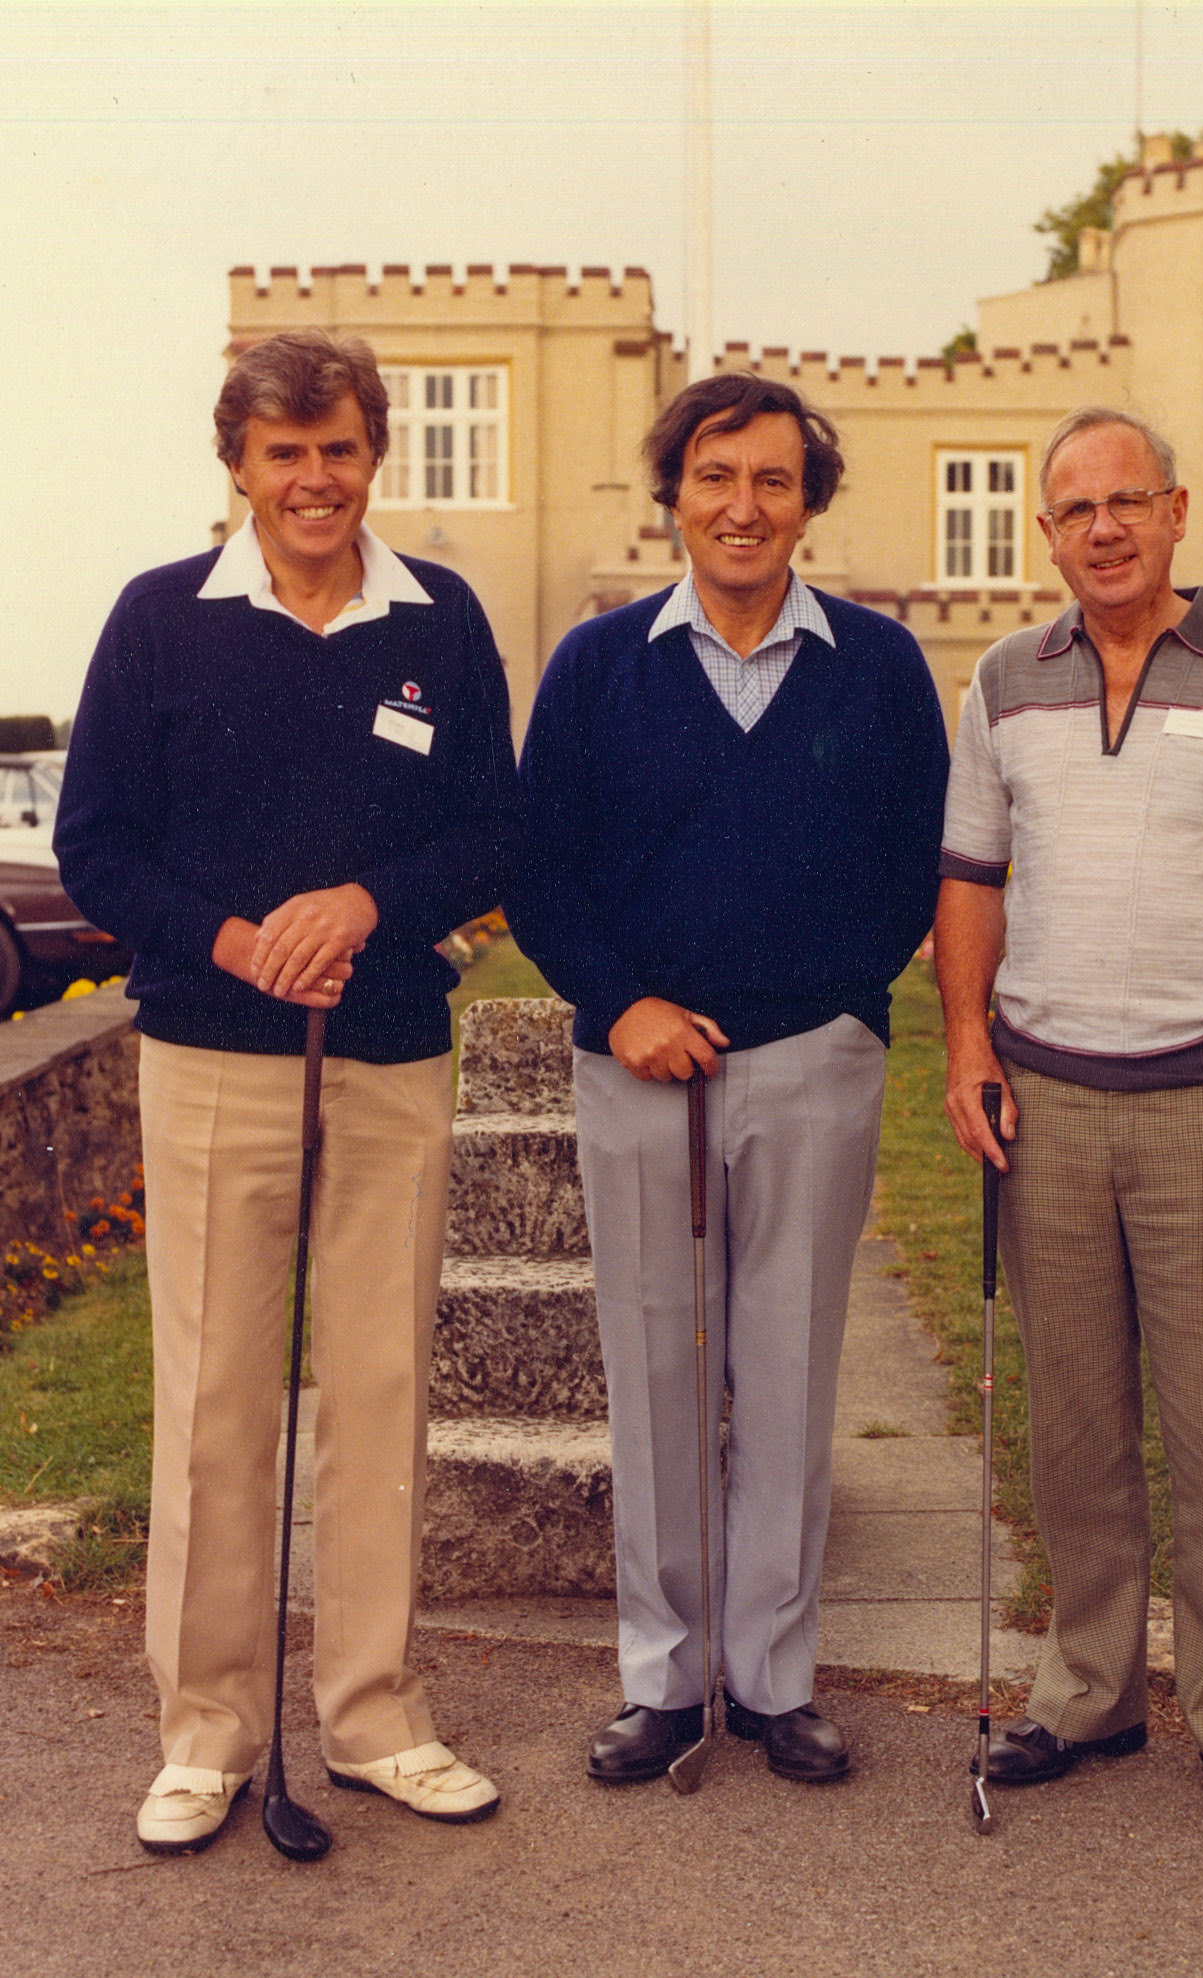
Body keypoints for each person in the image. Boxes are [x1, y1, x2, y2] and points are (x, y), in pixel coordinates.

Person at [55, 330, 522, 1854]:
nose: (313, 480)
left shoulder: (437, 618)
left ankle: (376, 1713)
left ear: (372, 454)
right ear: (238, 466)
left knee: (379, 1385)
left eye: (337, 450)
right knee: (212, 1403)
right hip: (211, 1054)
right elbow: (99, 849)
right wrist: (242, 936)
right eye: (283, 454)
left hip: (386, 1052)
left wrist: (365, 904)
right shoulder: (158, 621)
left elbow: (485, 832)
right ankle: (206, 1730)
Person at [507, 373, 947, 1784]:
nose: (741, 504)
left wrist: (824, 1013)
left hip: (813, 1061)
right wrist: (621, 1000)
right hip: (640, 1069)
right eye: (714, 476)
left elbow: (907, 869)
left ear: (808, 500)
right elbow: (541, 870)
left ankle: (770, 1679)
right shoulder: (595, 664)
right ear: (673, 497)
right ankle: (662, 1676)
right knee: (652, 1371)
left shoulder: (876, 667)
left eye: (771, 479)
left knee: (789, 1364)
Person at [936, 406, 1203, 1827]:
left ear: (1176, 512)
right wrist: (961, 1043)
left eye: (1128, 501)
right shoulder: (1002, 679)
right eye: (1074, 510)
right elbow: (971, 880)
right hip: (1047, 1103)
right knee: (1072, 1429)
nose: (1102, 528)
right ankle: (1088, 1693)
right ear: (1043, 534)